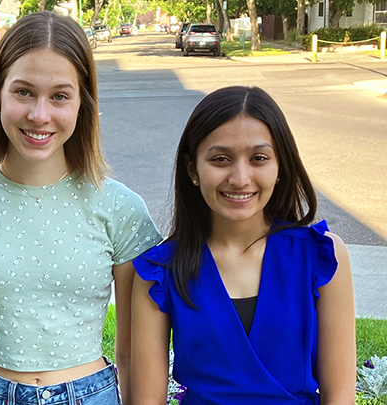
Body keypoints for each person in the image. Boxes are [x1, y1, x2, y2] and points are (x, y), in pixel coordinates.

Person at [0, 11, 161, 405]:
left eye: (60, 96)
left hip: (93, 393)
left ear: (83, 104)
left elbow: (132, 354)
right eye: (23, 92)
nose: (40, 115)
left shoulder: (122, 209)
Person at [131, 86, 356, 405]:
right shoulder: (159, 273)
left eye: (258, 158)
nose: (240, 177)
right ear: (193, 169)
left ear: (280, 167)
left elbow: (341, 397)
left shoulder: (322, 257)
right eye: (220, 159)